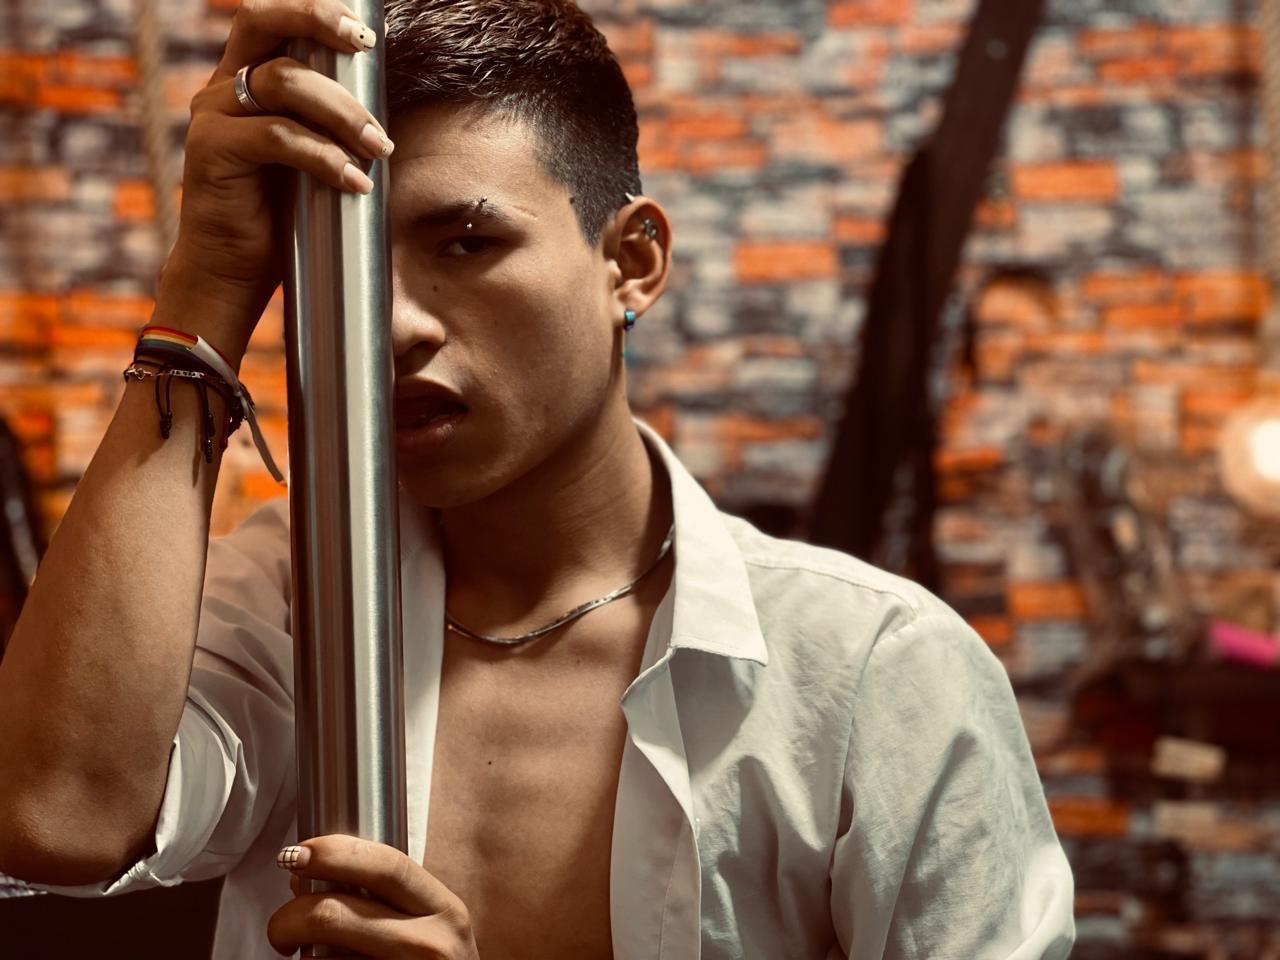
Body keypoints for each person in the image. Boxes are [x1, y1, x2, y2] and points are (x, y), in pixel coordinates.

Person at [0, 0, 1076, 957]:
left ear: (631, 262)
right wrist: (208, 282)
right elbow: (55, 822)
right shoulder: (286, 603)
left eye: (466, 243)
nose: (392, 326)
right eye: (340, 265)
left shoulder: (875, 674)